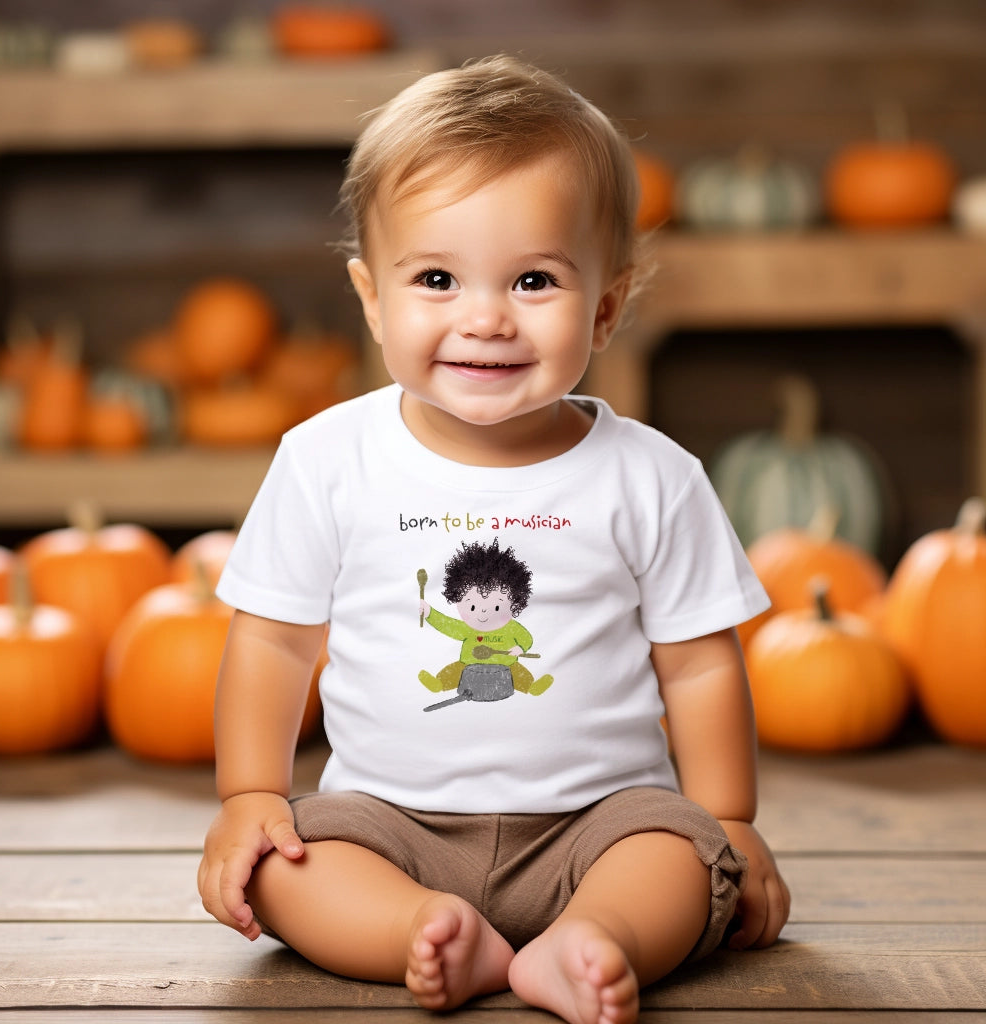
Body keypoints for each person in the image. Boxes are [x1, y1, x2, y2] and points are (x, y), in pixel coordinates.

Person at [198, 54, 790, 1024]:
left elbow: (699, 668)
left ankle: (597, 937)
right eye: (436, 277)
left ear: (605, 305)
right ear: (370, 297)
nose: (483, 317)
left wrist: (728, 822)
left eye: (532, 280)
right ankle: (422, 931)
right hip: (387, 822)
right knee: (286, 869)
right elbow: (272, 639)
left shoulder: (651, 475)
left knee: (677, 860)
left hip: (599, 822)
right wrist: (248, 794)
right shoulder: (326, 458)